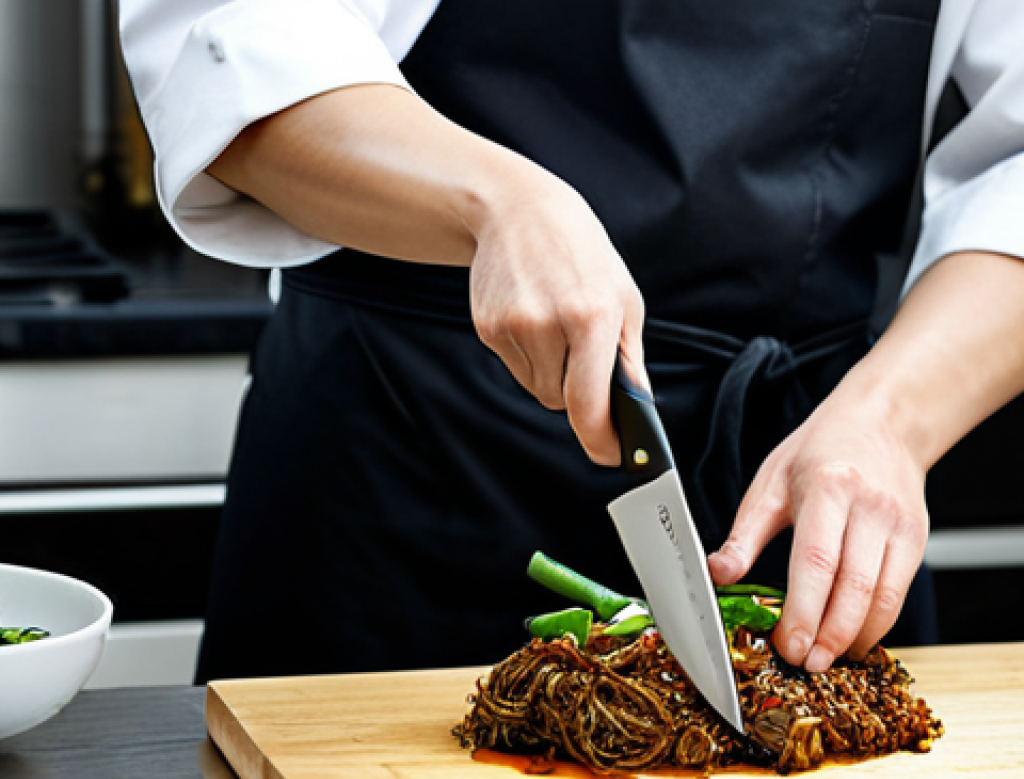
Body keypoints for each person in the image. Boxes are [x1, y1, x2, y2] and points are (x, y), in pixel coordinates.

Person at [120, 0, 1024, 683]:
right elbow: (233, 40)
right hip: (407, 463)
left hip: (804, 485)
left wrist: (890, 422)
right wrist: (493, 201)